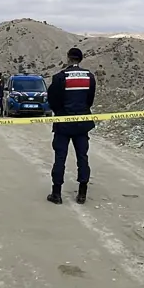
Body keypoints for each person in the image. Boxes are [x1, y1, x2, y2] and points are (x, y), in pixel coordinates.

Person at [46, 48, 96, 205]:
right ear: (80, 59)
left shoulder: (60, 77)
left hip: (64, 124)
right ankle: (82, 193)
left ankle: (57, 194)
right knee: (83, 156)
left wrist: (61, 112)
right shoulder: (90, 77)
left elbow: (52, 100)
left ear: (68, 58)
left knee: (60, 157)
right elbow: (90, 100)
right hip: (82, 124)